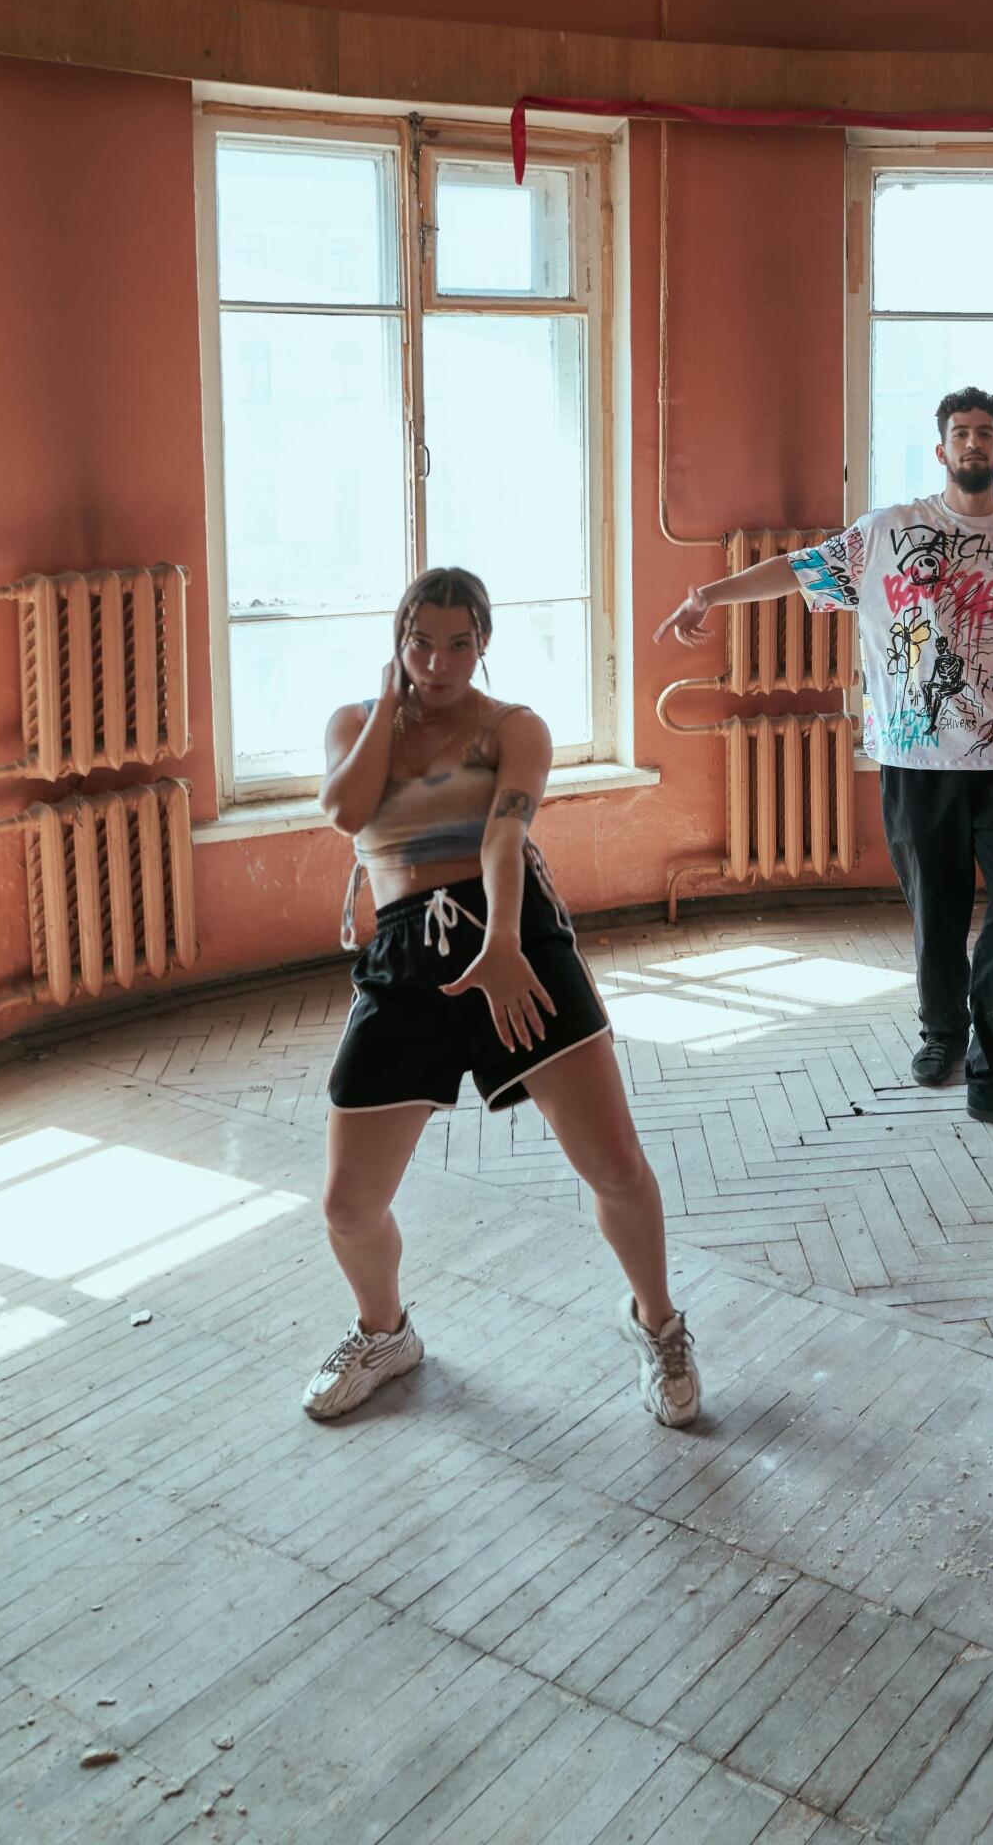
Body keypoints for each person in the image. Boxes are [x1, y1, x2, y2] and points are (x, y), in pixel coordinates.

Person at [655, 388, 993, 1145]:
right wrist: (709, 596)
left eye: (985, 434)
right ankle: (943, 1029)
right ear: (941, 449)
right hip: (916, 758)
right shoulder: (889, 532)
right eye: (960, 433)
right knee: (935, 910)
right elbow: (796, 567)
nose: (973, 444)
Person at [307, 567, 699, 1429]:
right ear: (396, 641)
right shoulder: (353, 723)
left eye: (456, 644)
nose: (436, 662)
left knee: (615, 1166)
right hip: (404, 956)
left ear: (484, 644)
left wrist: (506, 942)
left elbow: (505, 833)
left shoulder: (514, 728)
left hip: (511, 934)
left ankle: (659, 1323)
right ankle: (385, 1334)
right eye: (419, 643)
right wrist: (386, 704)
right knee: (346, 1203)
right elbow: (345, 812)